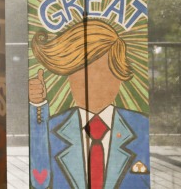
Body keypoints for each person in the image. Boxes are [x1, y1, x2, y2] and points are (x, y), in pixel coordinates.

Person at [28, 20, 149, 189]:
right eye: (82, 71)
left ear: (119, 74)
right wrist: (38, 104)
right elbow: (40, 181)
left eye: (104, 70)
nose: (94, 82)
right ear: (69, 75)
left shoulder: (140, 126)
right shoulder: (52, 129)